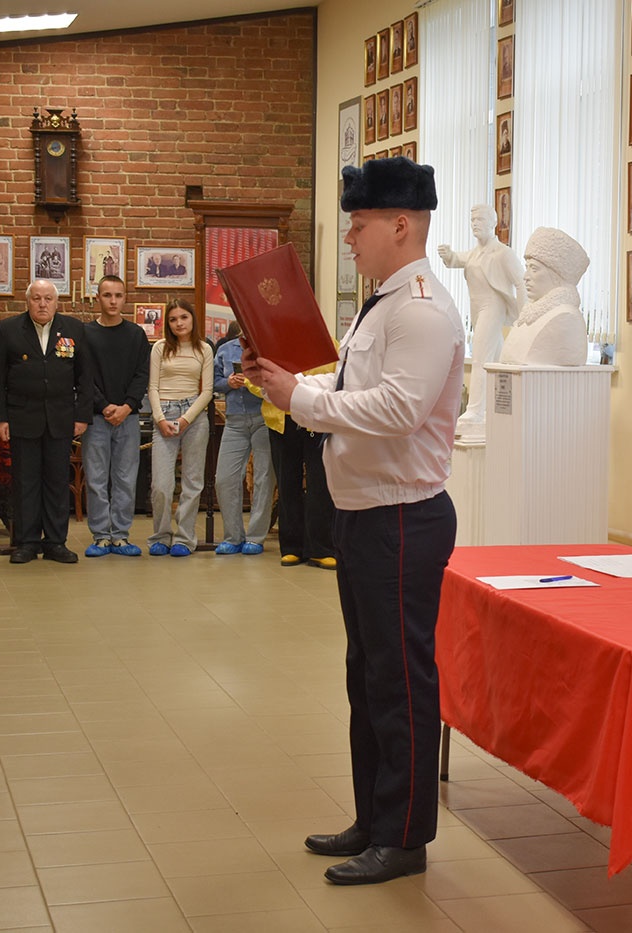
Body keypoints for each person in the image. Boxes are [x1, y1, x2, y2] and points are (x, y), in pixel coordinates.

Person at [245, 157, 464, 886]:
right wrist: (286, 380)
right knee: (367, 677)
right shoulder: (380, 303)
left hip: (402, 517)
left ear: (401, 225)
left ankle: (404, 837)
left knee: (400, 679)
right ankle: (375, 816)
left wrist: (301, 401)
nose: (349, 237)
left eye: (359, 224)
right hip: (366, 514)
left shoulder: (422, 308)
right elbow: (347, 385)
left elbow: (398, 411)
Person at [0, 279, 94, 564]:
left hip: (61, 420)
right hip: (22, 419)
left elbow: (85, 378)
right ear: (28, 301)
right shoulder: (9, 329)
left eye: (48, 298)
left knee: (58, 483)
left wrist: (82, 416)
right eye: (37, 298)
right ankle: (27, 542)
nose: (42, 304)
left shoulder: (73, 329)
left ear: (57, 302)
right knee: (26, 482)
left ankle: (56, 542)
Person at [438, 204, 524, 430]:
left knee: (480, 355)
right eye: (472, 220)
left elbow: (521, 281)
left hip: (493, 307)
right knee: (496, 358)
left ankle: (475, 409)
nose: (475, 224)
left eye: (480, 220)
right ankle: (493, 406)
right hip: (477, 308)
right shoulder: (474, 253)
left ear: (492, 223)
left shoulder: (502, 253)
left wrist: (525, 314)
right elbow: (457, 259)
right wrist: (448, 255)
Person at [82, 274, 150, 558]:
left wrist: (126, 406)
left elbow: (142, 374)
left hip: (128, 417)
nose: (113, 301)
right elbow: (83, 376)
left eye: (118, 295)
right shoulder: (85, 333)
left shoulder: (136, 335)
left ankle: (120, 535)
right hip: (96, 418)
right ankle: (100, 536)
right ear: (98, 298)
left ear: (125, 298)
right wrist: (104, 405)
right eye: (107, 295)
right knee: (97, 478)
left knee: (125, 477)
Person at [146, 297, 213, 557]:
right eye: (173, 319)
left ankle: (185, 538)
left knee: (192, 481)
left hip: (193, 416)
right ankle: (160, 536)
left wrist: (186, 419)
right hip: (164, 412)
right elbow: (152, 387)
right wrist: (161, 418)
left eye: (183, 317)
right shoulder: (160, 348)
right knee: (161, 485)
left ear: (192, 319)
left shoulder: (204, 349)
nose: (178, 323)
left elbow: (207, 391)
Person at [264, 367, 337, 570]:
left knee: (320, 484)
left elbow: (337, 377)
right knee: (287, 484)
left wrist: (298, 389)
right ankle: (291, 547)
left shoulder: (329, 345)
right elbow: (255, 380)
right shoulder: (272, 348)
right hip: (281, 420)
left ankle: (322, 549)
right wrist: (276, 392)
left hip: (316, 419)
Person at [212, 324, 274, 556]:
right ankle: (233, 536)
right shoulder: (225, 350)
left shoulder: (268, 348)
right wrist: (228, 383)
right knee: (224, 479)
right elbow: (213, 383)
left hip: (264, 418)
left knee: (263, 478)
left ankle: (256, 537)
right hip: (234, 420)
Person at [499, 226, 590, 366]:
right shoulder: (529, 315)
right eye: (527, 267)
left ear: (556, 276)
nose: (526, 277)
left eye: (534, 269)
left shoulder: (565, 317)